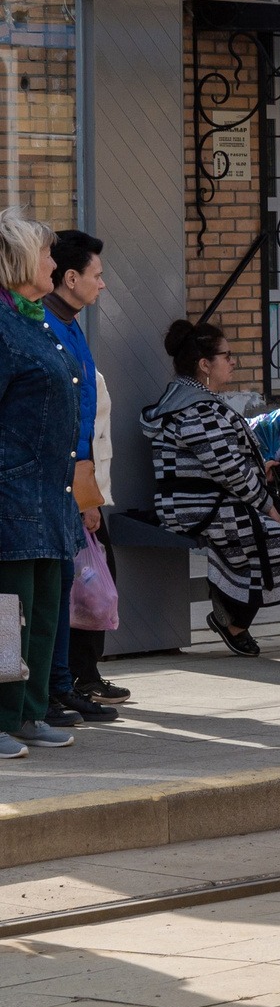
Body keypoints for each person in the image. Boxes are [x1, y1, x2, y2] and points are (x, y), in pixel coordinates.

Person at [143, 320, 280, 657]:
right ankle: (232, 618)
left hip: (209, 497)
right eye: (227, 356)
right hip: (193, 503)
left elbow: (227, 462)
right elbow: (227, 468)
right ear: (205, 364)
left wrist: (263, 471)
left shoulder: (194, 398)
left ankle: (232, 609)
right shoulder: (195, 406)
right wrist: (266, 504)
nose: (233, 362)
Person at [0, 208, 80, 757]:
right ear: (22, 260)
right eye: (48, 253)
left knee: (44, 610)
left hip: (50, 497)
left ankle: (29, 713)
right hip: (12, 495)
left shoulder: (31, 318)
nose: (55, 262)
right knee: (9, 615)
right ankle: (1, 719)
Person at [42, 230, 117, 724]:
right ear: (71, 278)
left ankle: (67, 683)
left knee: (70, 582)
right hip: (55, 480)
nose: (103, 285)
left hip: (76, 476)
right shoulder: (42, 325)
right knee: (56, 589)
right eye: (97, 275)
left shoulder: (69, 324)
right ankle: (53, 689)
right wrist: (83, 496)